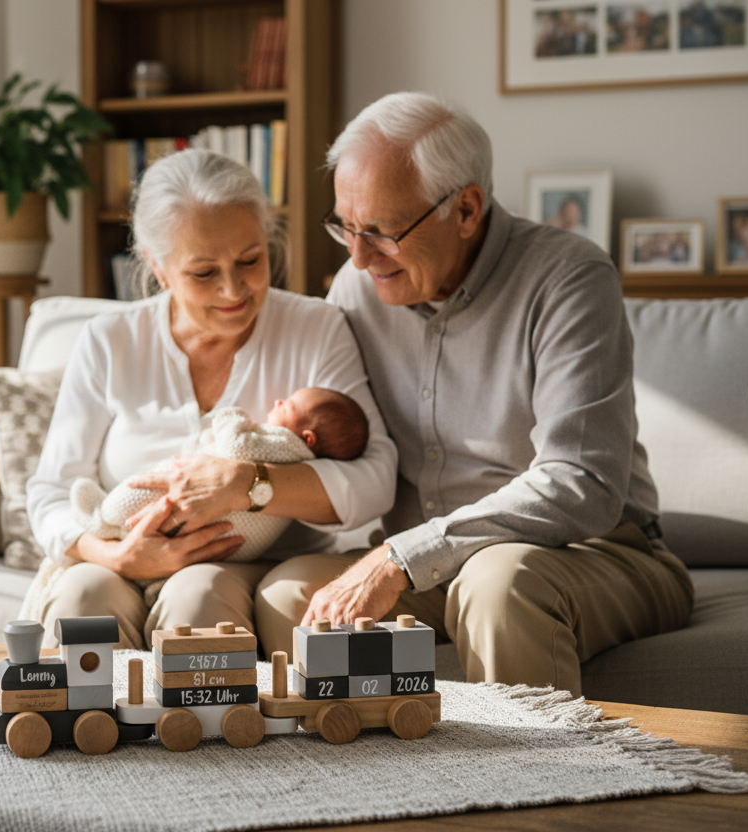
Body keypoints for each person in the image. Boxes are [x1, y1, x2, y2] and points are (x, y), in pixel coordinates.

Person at [255, 92, 694, 697]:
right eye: (346, 228)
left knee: (496, 581)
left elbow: (582, 483)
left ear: (465, 210)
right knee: (287, 594)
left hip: (593, 551)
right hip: (426, 566)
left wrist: (400, 558)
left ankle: (537, 789)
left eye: (380, 232)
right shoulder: (356, 290)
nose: (357, 257)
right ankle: (370, 785)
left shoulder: (569, 278)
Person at [25, 149, 397, 649]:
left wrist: (249, 484)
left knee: (198, 596)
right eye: (204, 272)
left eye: (251, 260)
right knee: (82, 599)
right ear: (158, 268)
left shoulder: (315, 328)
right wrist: (118, 557)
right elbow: (51, 490)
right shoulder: (109, 340)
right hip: (121, 556)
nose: (233, 289)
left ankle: (207, 729)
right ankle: (89, 728)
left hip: (254, 563)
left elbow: (373, 479)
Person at [70, 388, 370, 605]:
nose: (279, 401)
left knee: (142, 492)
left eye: (288, 405)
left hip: (194, 515)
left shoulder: (285, 448)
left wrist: (232, 417)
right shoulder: (299, 464)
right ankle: (145, 573)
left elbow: (235, 451)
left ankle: (102, 519)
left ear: (307, 439)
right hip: (216, 542)